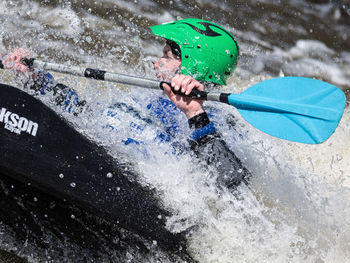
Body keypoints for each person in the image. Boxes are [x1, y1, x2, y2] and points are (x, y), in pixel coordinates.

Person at [2, 18, 250, 189]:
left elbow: (233, 183)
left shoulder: (217, 120)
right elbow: (87, 116)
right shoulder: (147, 98)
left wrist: (194, 112)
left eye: (166, 55)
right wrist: (36, 81)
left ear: (192, 63)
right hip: (98, 164)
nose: (156, 62)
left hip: (135, 190)